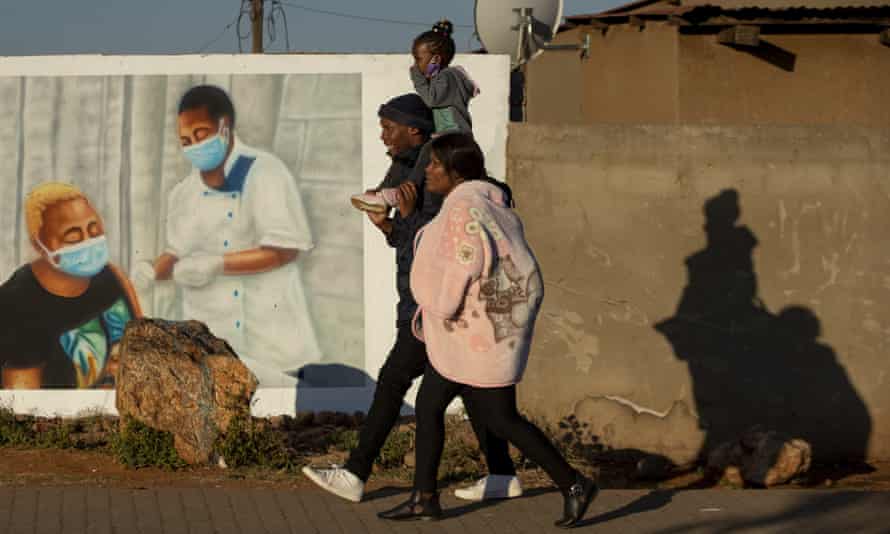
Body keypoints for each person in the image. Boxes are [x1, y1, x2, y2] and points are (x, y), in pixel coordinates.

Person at [303, 94, 522, 503]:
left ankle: (358, 473)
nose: (383, 135)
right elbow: (407, 242)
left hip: (435, 305)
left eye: (390, 127)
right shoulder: (405, 169)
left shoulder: (434, 174)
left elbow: (437, 241)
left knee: (394, 381)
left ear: (415, 131)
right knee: (474, 392)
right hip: (422, 299)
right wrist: (387, 224)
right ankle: (501, 474)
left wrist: (402, 219)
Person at [378, 134, 597, 528]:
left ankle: (573, 483)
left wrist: (441, 305)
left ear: (455, 172)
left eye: (434, 165)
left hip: (474, 331)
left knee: (502, 418)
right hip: (475, 331)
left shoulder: (465, 210)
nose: (427, 172)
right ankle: (423, 497)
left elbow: (464, 264)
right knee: (429, 404)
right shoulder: (485, 204)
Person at [135, 85, 320, 387]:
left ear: (225, 125)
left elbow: (285, 250)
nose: (194, 145)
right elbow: (176, 252)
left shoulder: (266, 173)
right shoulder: (183, 193)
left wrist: (217, 264)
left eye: (201, 133)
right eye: (186, 140)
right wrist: (151, 271)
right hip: (211, 343)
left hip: (269, 339)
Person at [0, 182, 142, 389]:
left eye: (94, 231)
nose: (88, 243)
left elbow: (147, 346)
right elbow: (23, 406)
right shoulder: (14, 305)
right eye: (73, 237)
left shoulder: (111, 276)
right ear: (39, 245)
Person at [350, 19, 480, 214]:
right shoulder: (445, 77)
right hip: (448, 133)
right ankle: (384, 192)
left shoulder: (446, 77)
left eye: (419, 59)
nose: (417, 65)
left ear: (435, 60)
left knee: (427, 154)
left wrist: (418, 76)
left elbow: (431, 99)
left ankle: (401, 192)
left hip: (454, 134)